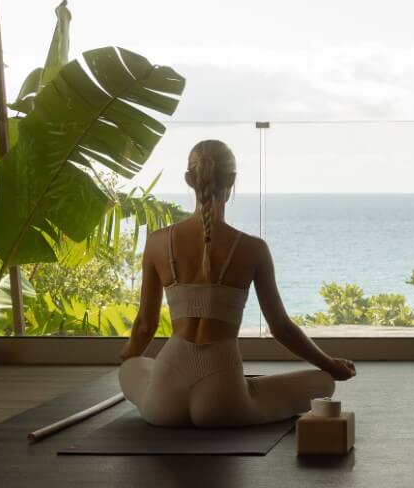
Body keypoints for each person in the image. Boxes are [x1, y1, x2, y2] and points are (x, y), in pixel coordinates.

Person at [119, 139, 355, 426]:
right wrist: (332, 366)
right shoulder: (252, 248)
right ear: (232, 179)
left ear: (189, 180)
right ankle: (247, 387)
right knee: (323, 382)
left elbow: (146, 325)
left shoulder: (158, 242)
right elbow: (281, 328)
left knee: (133, 368)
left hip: (163, 403)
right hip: (224, 401)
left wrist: (127, 360)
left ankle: (167, 386)